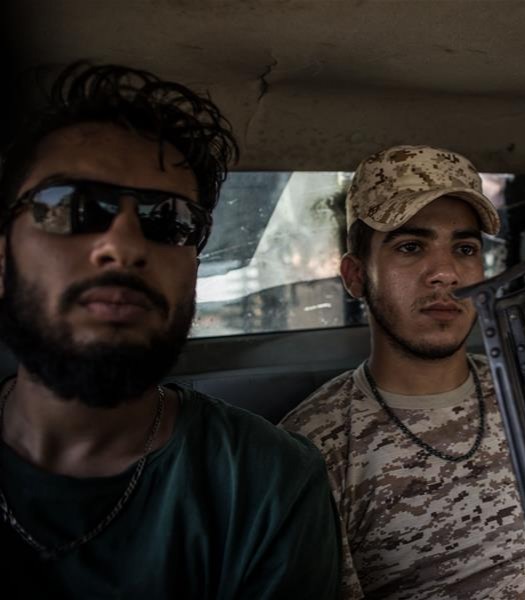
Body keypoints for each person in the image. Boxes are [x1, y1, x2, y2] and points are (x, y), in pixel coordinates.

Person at [0, 63, 341, 598]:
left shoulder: (267, 483)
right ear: (3, 256)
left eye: (170, 221)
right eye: (71, 206)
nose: (125, 245)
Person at [280, 145, 525, 599]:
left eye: (464, 248)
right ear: (356, 276)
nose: (445, 273)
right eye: (410, 246)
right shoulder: (315, 449)